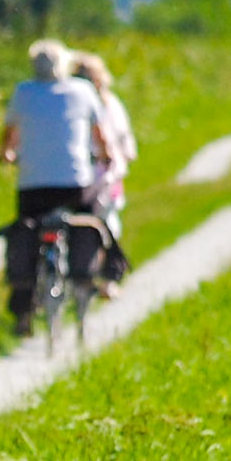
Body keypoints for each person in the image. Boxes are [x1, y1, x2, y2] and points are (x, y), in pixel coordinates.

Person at [0, 39, 112, 335]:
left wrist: (5, 154)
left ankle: (23, 310)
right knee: (90, 218)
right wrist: (106, 155)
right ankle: (94, 273)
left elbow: (8, 135)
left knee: (26, 229)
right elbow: (101, 136)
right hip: (74, 184)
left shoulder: (23, 92)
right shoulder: (82, 91)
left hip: (32, 186)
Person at [71, 50, 137, 290]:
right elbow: (127, 144)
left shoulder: (106, 104)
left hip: (103, 174)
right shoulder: (103, 103)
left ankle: (109, 272)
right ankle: (102, 272)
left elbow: (124, 141)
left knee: (104, 219)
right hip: (93, 173)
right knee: (100, 221)